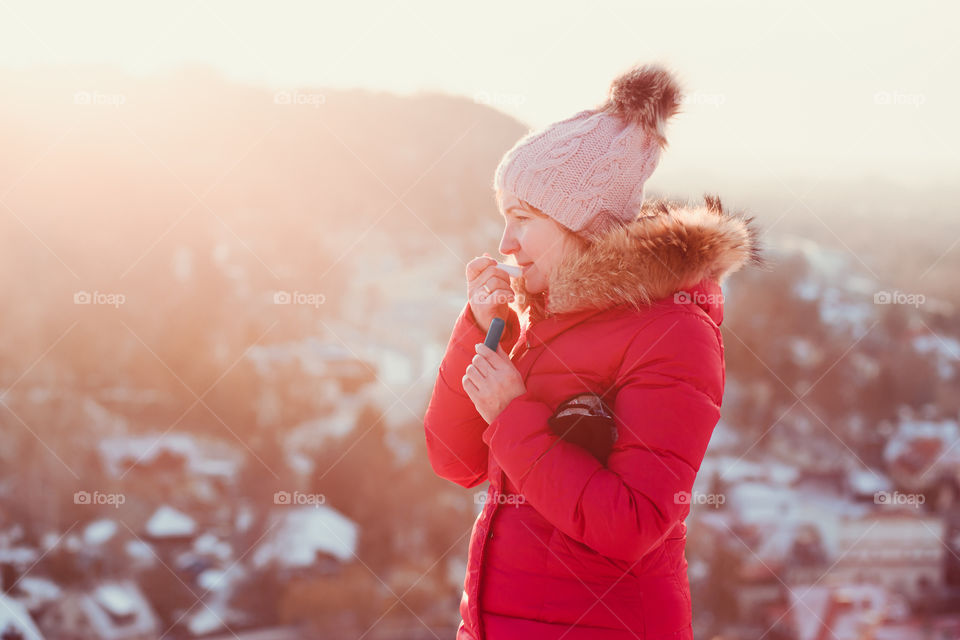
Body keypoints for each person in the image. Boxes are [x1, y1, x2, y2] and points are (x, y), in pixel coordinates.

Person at [423, 62, 764, 640]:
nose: (505, 243)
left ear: (578, 221)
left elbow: (631, 523)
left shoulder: (675, 332)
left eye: (521, 219)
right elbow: (455, 461)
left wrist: (512, 413)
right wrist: (482, 329)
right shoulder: (543, 318)